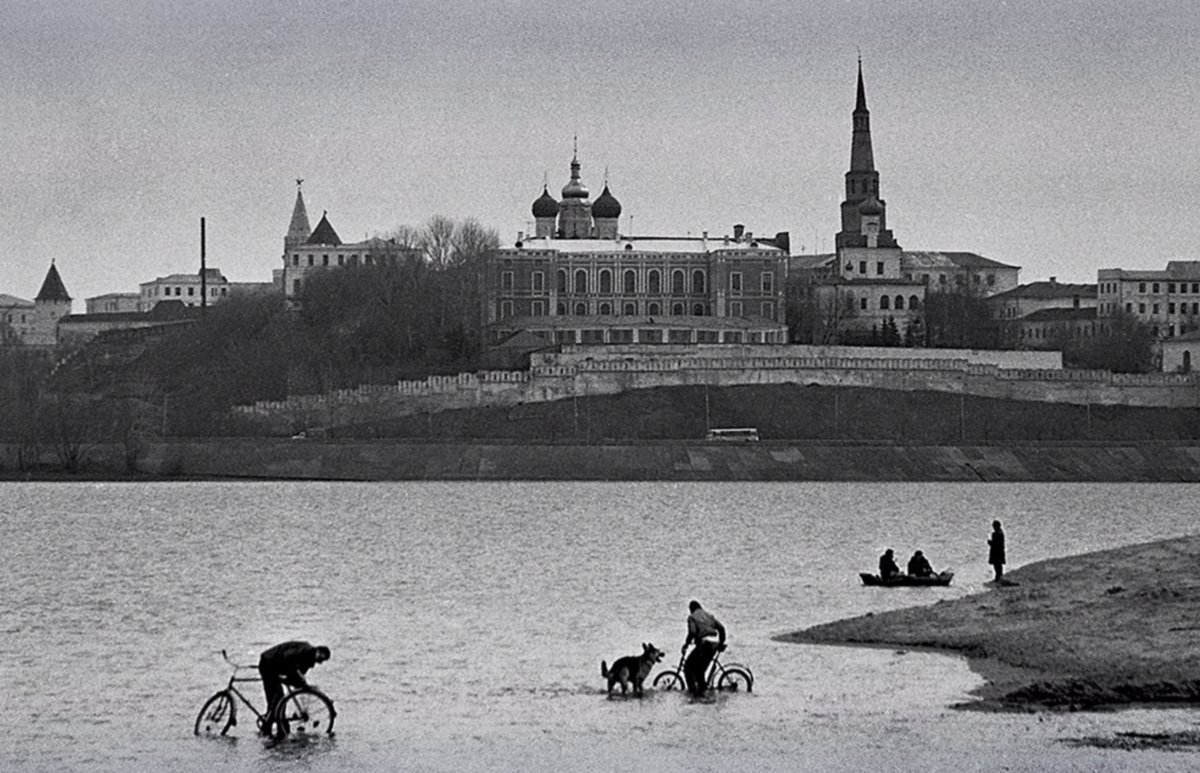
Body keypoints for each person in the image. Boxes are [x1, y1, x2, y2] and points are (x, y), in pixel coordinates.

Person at [258, 640, 331, 729]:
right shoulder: (305, 651)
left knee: (278, 700)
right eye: (321, 658)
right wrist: (298, 679)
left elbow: (300, 673)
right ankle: (270, 727)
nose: (320, 662)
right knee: (276, 699)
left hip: (275, 664)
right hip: (268, 664)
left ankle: (278, 727)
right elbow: (288, 659)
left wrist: (301, 683)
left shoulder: (308, 655)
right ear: (318, 651)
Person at [682, 600, 726, 697]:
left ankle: (695, 693)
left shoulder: (692, 617)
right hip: (714, 644)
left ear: (691, 609)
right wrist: (721, 643)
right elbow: (721, 628)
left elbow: (692, 632)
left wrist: (686, 644)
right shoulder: (709, 615)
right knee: (701, 668)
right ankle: (702, 690)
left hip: (704, 644)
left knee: (688, 667)